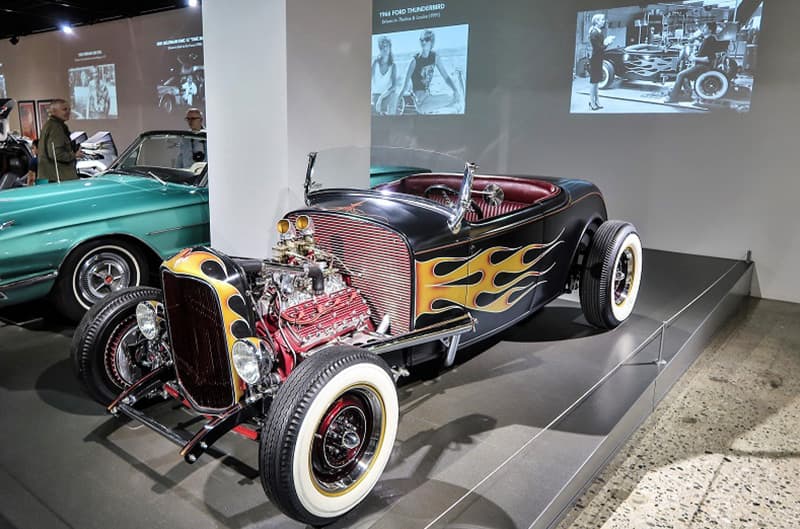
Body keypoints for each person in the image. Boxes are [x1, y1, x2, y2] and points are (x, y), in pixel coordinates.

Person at [400, 30, 461, 114]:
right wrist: (398, 100)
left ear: (432, 42)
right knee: (454, 102)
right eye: (421, 40)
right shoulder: (414, 61)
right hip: (420, 103)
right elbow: (404, 84)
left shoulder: (435, 57)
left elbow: (446, 77)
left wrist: (455, 90)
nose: (424, 42)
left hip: (428, 97)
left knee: (455, 98)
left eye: (427, 39)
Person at [665, 22, 719, 103]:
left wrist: (694, 58)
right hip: (701, 65)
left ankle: (673, 98)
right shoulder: (707, 39)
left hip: (703, 66)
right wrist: (695, 55)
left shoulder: (710, 40)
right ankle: (687, 95)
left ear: (710, 30)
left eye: (705, 28)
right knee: (684, 76)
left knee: (680, 75)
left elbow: (708, 59)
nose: (703, 29)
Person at [38, 100, 82, 182]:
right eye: (64, 109)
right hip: (60, 177)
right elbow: (55, 153)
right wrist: (74, 155)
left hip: (52, 176)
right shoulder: (56, 128)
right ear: (54, 111)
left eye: (69, 109)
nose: (68, 112)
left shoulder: (50, 125)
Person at [588, 13, 615, 111]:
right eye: (602, 20)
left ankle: (597, 101)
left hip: (598, 59)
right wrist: (607, 43)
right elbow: (599, 48)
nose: (604, 21)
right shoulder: (594, 33)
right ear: (596, 21)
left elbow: (601, 47)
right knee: (593, 82)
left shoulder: (599, 32)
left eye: (604, 20)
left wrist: (606, 42)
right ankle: (592, 102)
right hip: (595, 59)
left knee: (597, 81)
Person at [371, 36, 398, 115]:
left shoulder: (393, 66)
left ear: (390, 48)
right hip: (375, 95)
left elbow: (394, 86)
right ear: (380, 49)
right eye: (382, 47)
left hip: (386, 96)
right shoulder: (375, 63)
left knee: (393, 99)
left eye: (387, 46)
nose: (385, 49)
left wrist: (381, 97)